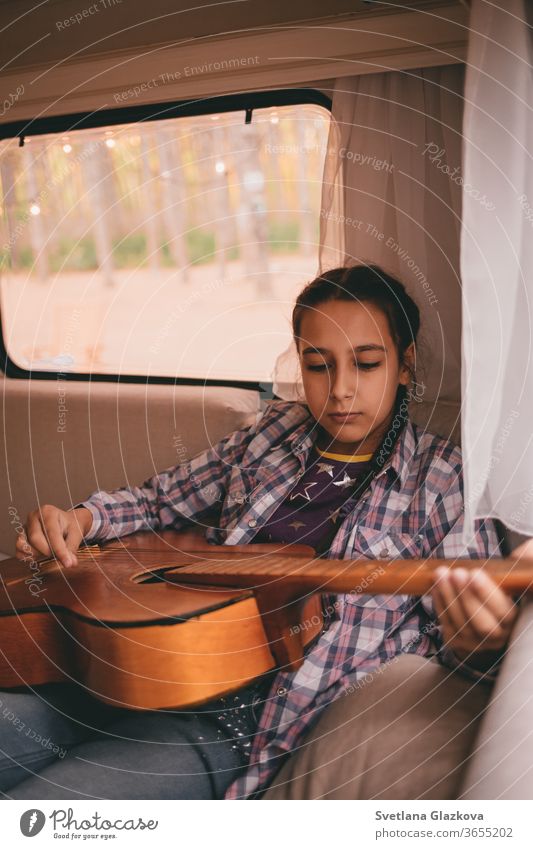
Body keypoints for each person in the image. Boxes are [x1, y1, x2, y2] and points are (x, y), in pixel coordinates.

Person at [3, 265, 518, 800]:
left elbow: (464, 645)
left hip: (231, 721)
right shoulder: (272, 433)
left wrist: (475, 645)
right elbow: (158, 500)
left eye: (367, 363)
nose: (341, 390)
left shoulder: (446, 480)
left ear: (406, 365)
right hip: (125, 672)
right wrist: (81, 519)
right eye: (318, 365)